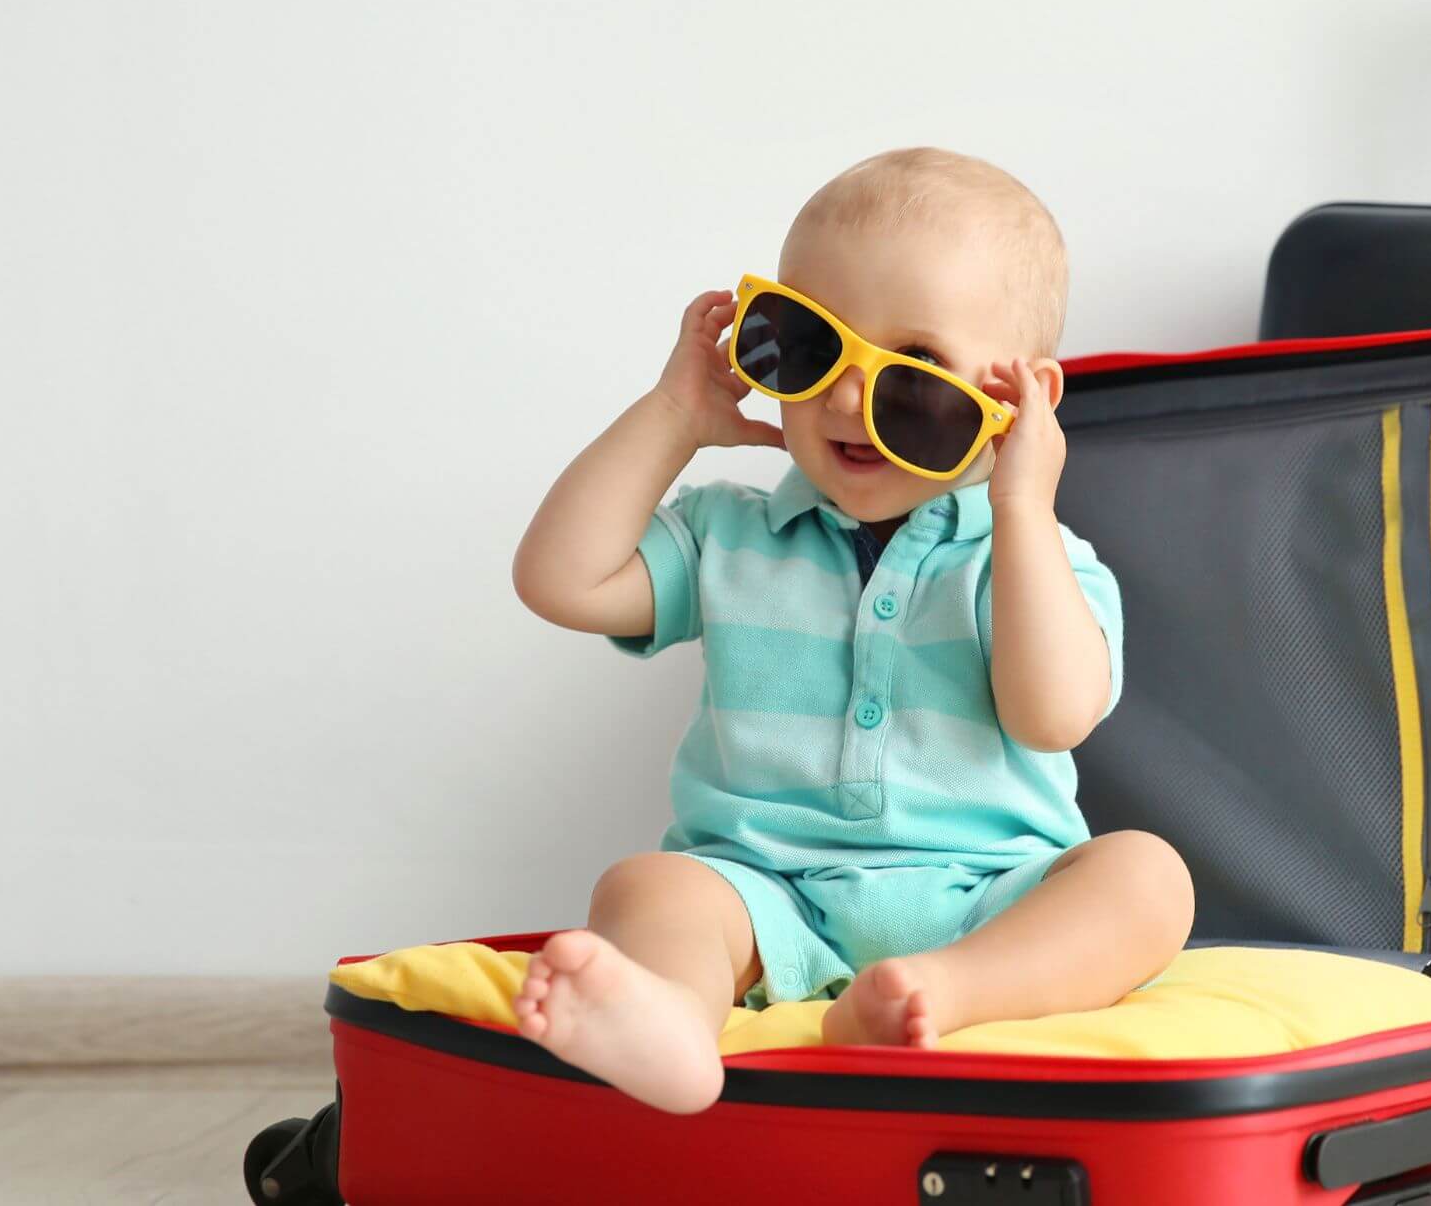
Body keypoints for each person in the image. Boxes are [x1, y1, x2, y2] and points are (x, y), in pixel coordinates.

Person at [509, 147, 1194, 1114]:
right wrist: (672, 416)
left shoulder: (1035, 559)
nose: (842, 400)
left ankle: (941, 994)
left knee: (1148, 878)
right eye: (810, 346)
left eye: (914, 373)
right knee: (648, 887)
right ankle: (672, 1022)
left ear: (1019, 404)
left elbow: (1053, 716)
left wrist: (1023, 509)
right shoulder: (729, 534)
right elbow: (559, 580)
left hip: (990, 897)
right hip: (765, 891)